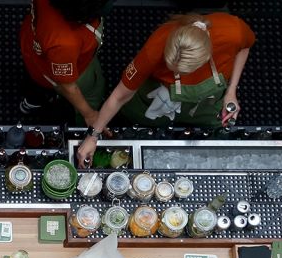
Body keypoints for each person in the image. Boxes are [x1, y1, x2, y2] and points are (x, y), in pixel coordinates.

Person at [76, 12, 255, 165]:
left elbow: (244, 47)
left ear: (207, 54)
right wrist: (93, 135)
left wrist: (231, 91)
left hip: (206, 102)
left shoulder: (232, 31)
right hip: (162, 96)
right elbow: (120, 96)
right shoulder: (156, 46)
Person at [18, 0, 120, 125]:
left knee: (33, 78)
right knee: (47, 86)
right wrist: (89, 114)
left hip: (31, 42)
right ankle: (38, 101)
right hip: (50, 70)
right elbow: (67, 85)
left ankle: (32, 100)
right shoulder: (65, 43)